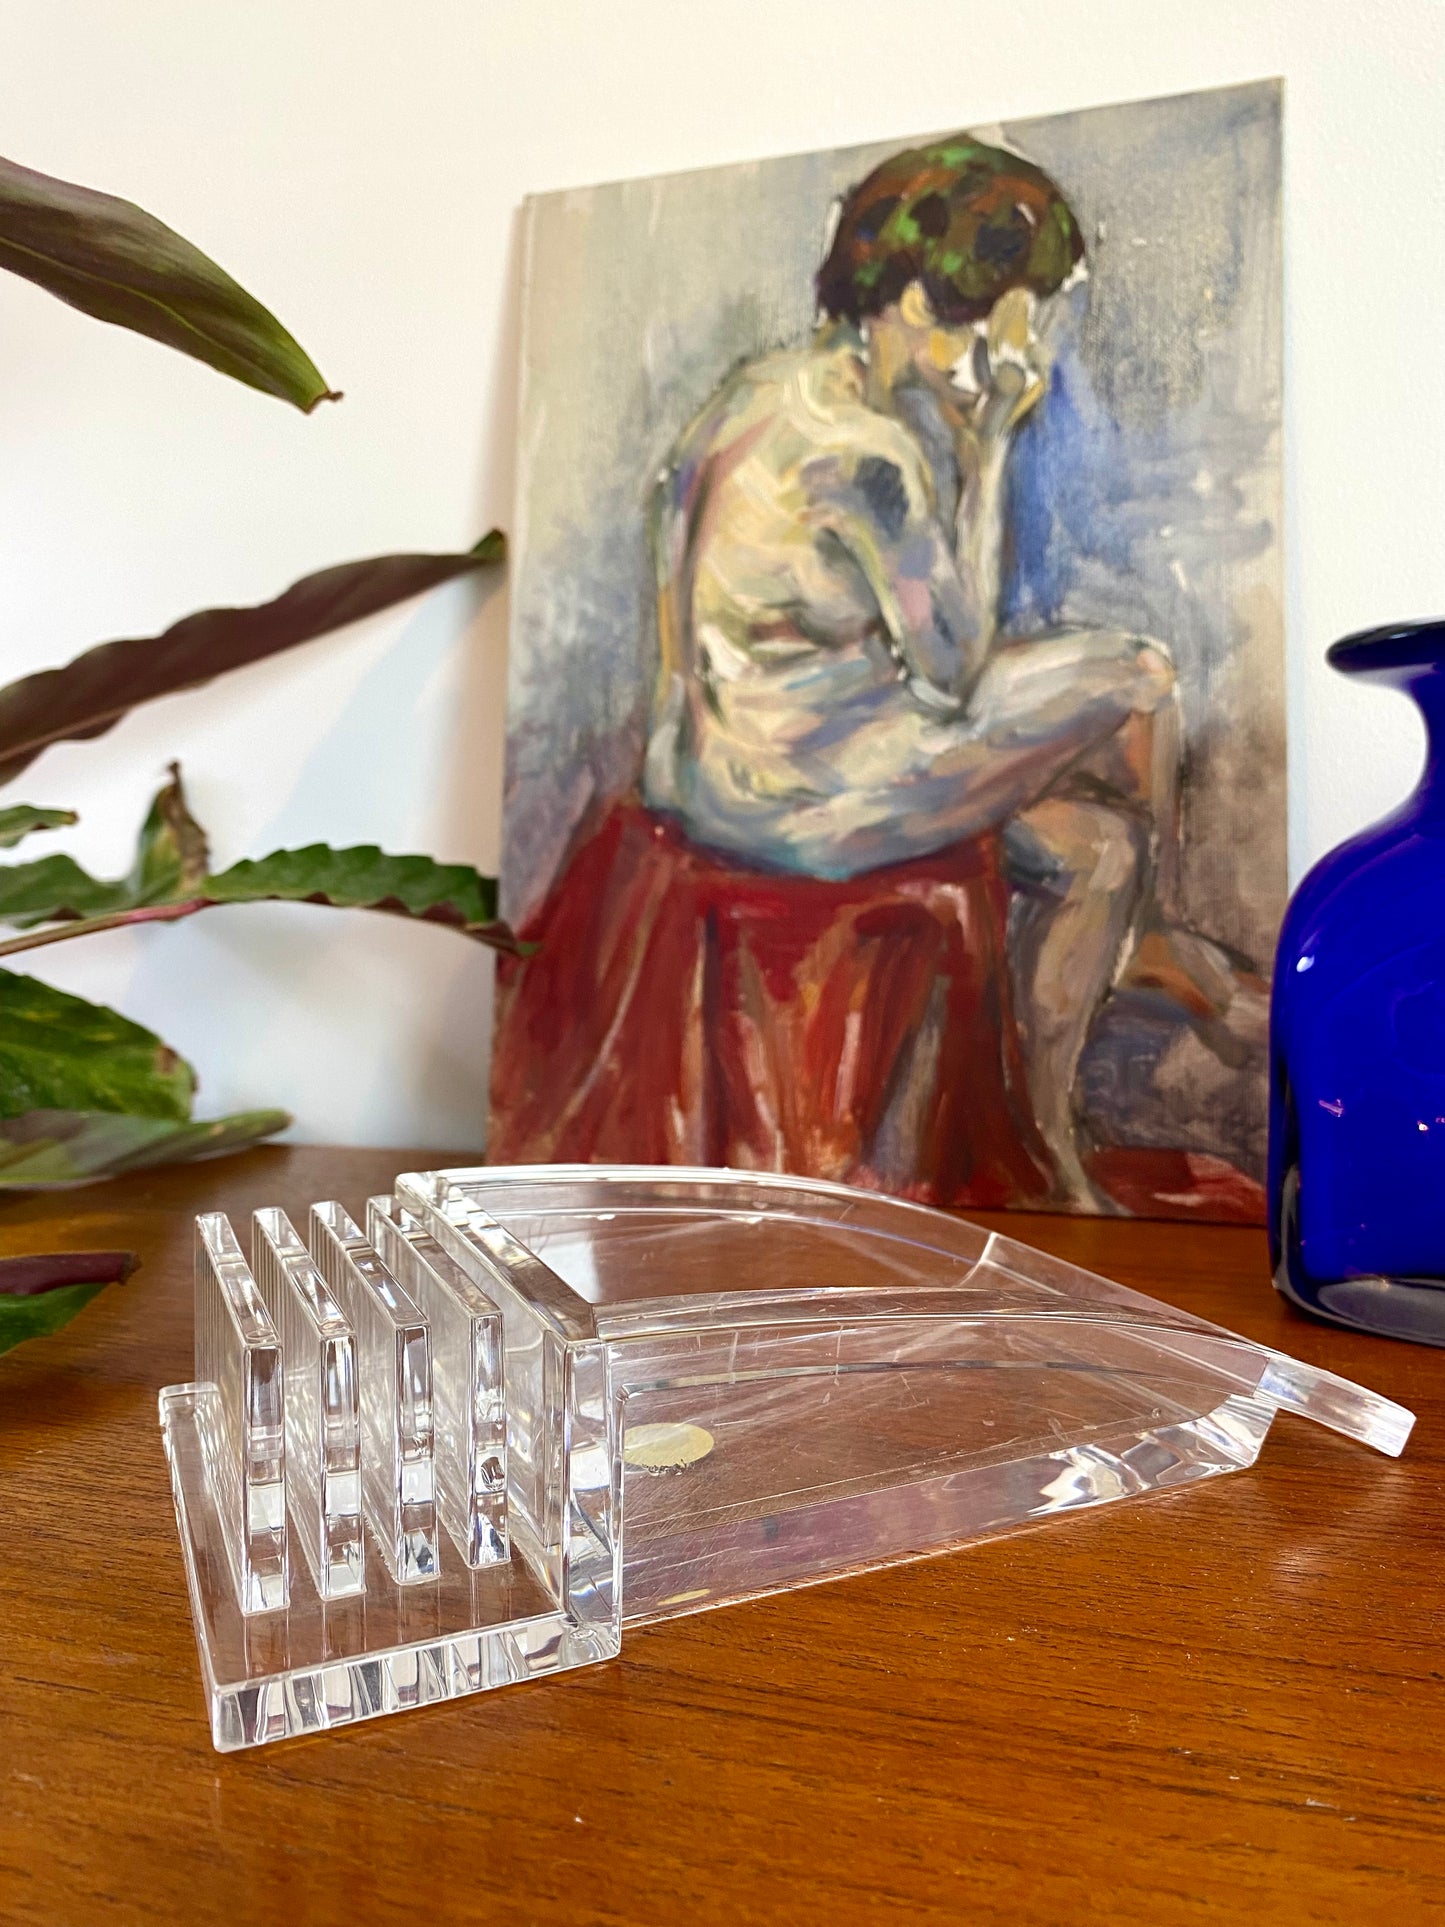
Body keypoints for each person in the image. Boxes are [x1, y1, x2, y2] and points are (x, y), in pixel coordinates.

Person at [642, 136, 1212, 1208]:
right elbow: (953, 671)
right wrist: (989, 442)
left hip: (712, 770)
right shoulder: (869, 450)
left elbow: (692, 635)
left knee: (1097, 851)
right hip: (806, 791)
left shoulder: (753, 396)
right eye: (978, 326)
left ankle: (1071, 1080)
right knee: (1139, 675)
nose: (983, 360)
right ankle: (1113, 1013)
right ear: (906, 299)